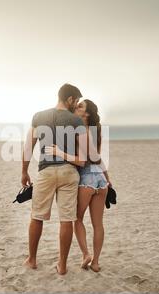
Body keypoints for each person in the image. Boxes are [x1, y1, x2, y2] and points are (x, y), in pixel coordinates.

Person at [21, 83, 87, 275]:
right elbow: (82, 158)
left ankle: (32, 259)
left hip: (46, 172)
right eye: (76, 101)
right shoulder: (76, 121)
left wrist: (24, 171)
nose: (77, 105)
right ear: (70, 99)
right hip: (69, 172)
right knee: (66, 219)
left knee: (37, 216)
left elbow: (28, 147)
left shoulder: (38, 117)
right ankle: (63, 266)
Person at [45, 99, 111, 272]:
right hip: (100, 180)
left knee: (78, 219)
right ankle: (96, 263)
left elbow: (82, 161)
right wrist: (108, 179)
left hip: (86, 178)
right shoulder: (97, 131)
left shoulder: (78, 130)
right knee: (98, 224)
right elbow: (97, 157)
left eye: (81, 106)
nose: (77, 107)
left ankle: (85, 254)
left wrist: (57, 151)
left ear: (87, 114)